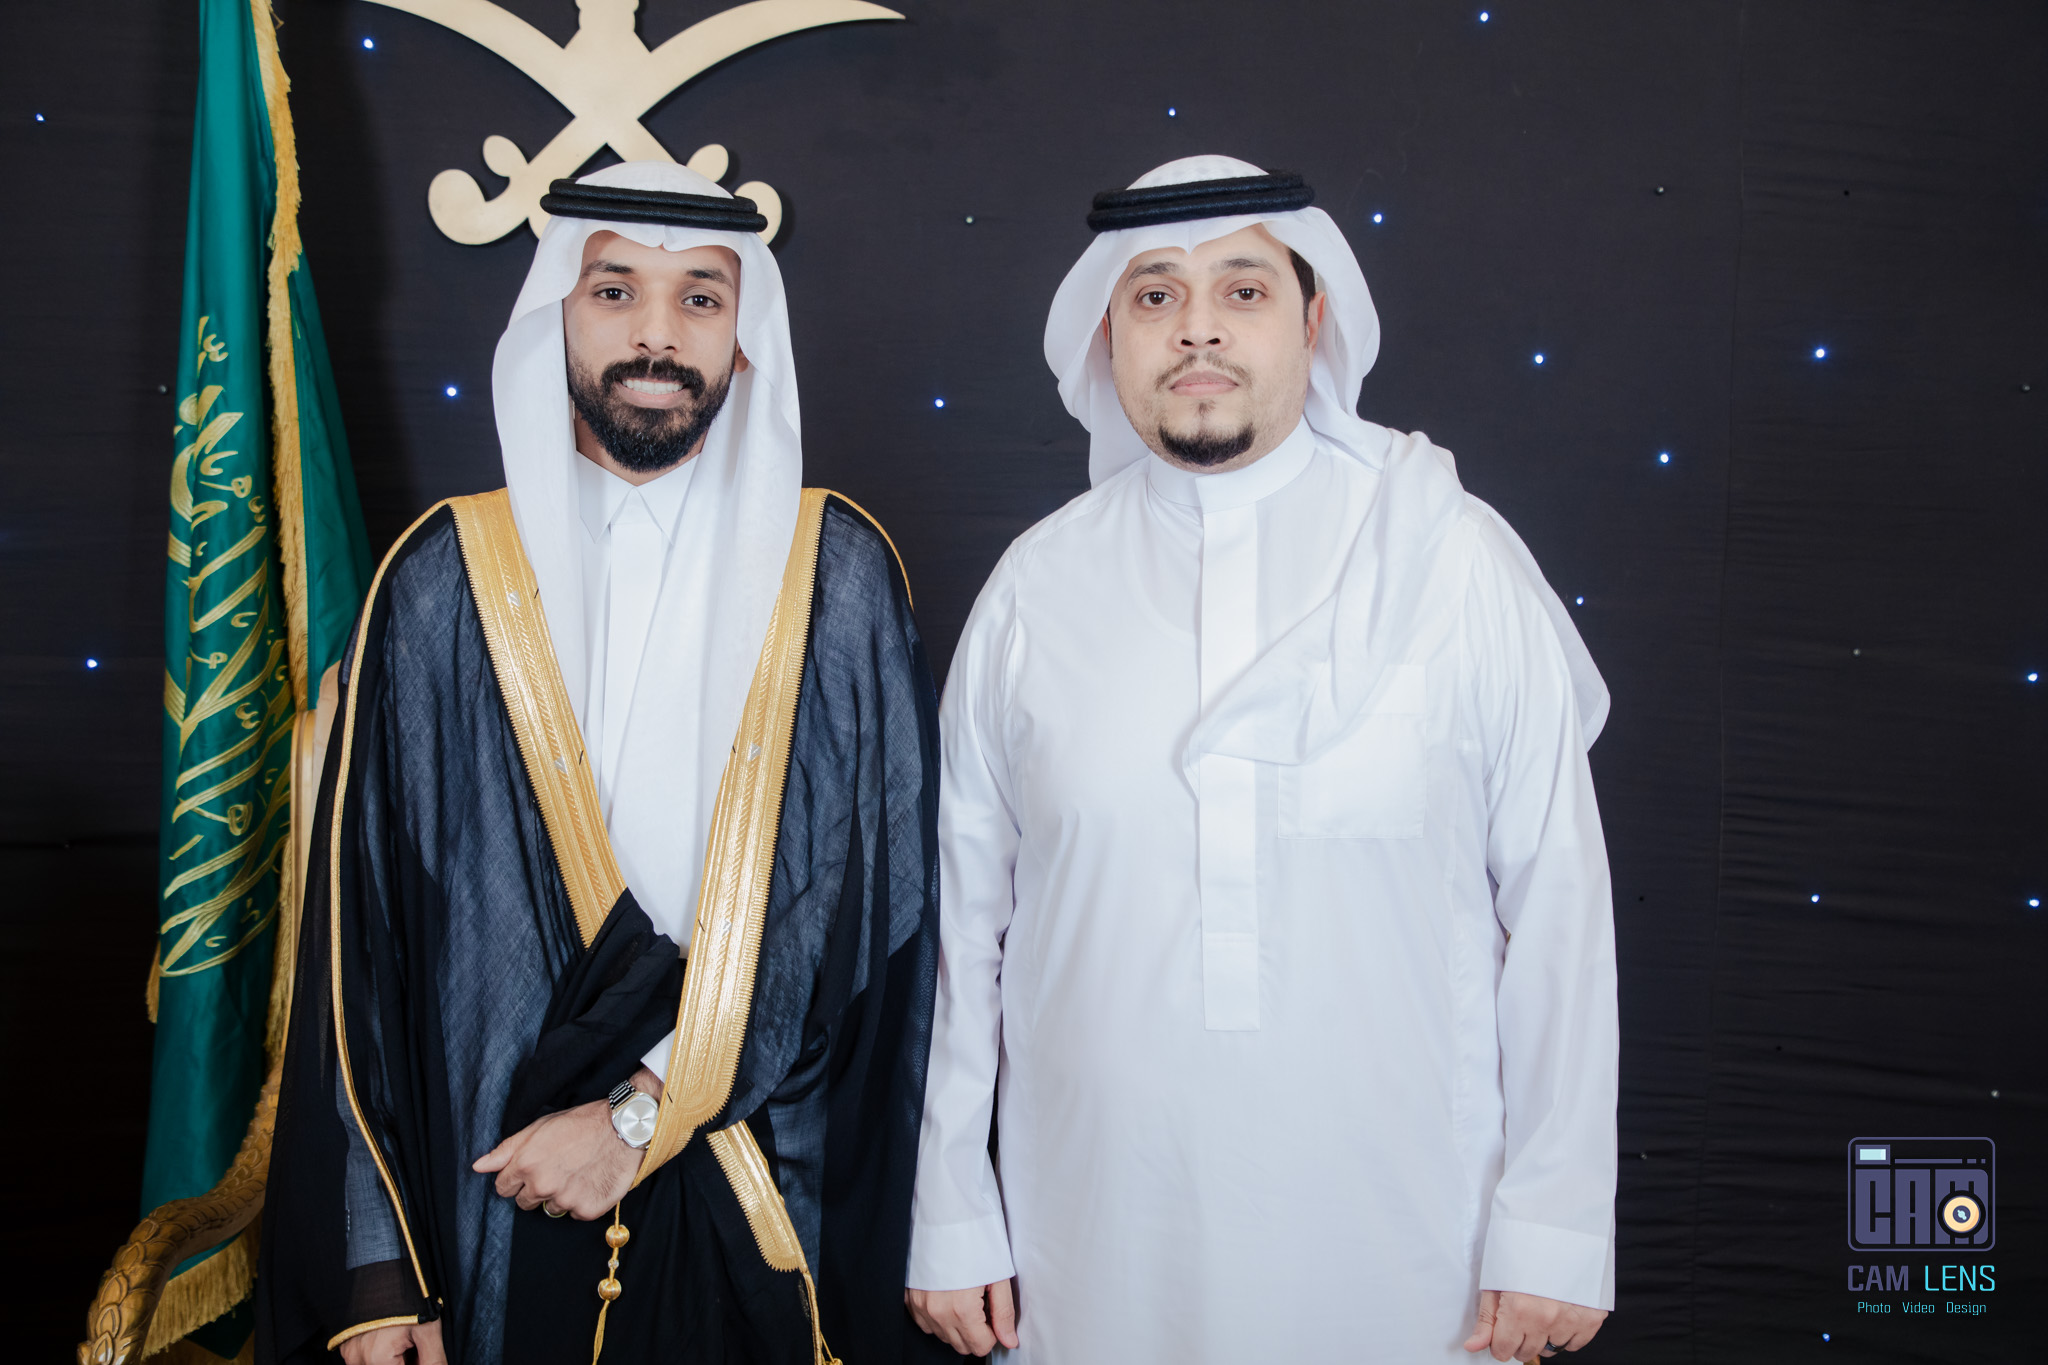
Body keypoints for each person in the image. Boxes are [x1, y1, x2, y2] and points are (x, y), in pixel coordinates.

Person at [904, 155, 1619, 1363]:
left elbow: (1558, 910)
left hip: (1413, 1238)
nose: (1196, 330)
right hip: (1092, 1231)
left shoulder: (1449, 556)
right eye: (1153, 296)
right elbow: (963, 935)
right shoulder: (1035, 586)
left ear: (1311, 321)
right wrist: (950, 1211)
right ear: (1108, 336)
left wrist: (1553, 1226)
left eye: (1241, 291)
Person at [257, 161, 942, 1365]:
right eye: (614, 291)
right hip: (495, 1183)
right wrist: (380, 1270)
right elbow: (363, 942)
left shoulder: (832, 572)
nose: (655, 335)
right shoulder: (440, 578)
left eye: (700, 299)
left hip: (762, 1166)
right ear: (554, 319)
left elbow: (858, 916)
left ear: (744, 337)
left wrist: (641, 1112)